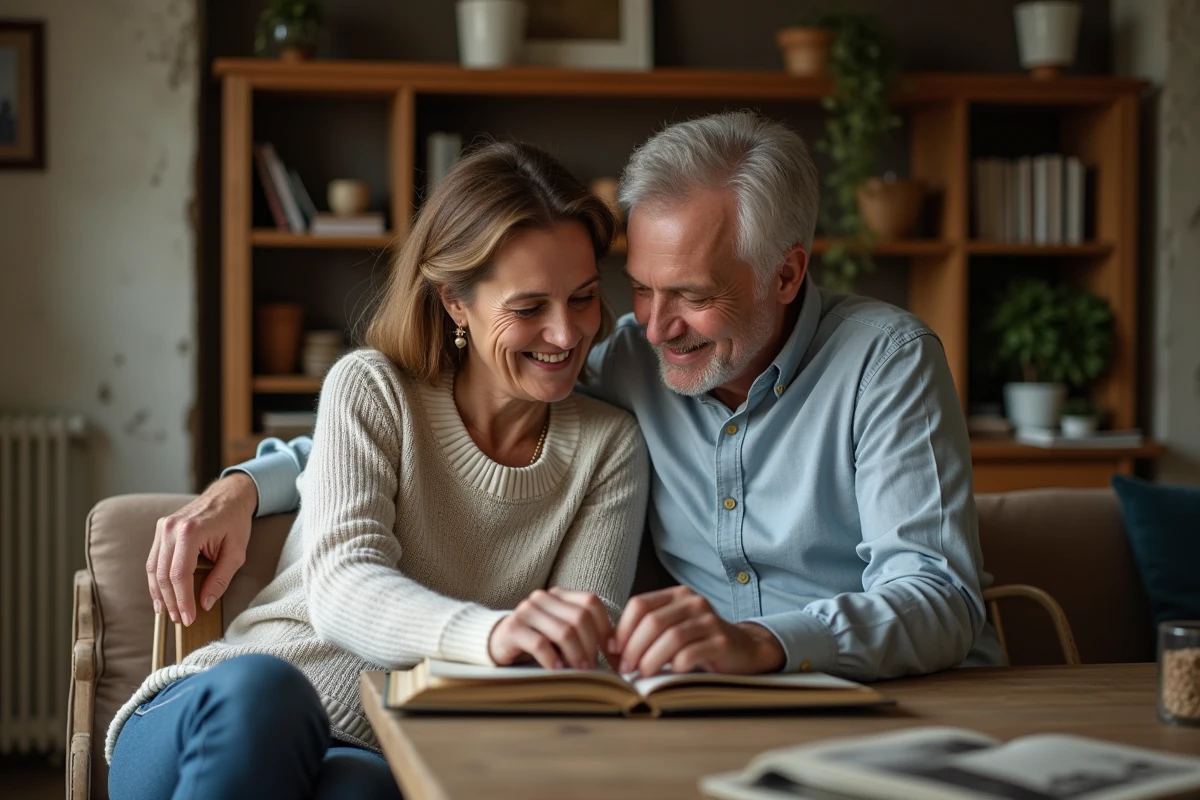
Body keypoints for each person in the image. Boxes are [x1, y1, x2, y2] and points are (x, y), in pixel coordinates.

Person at [151, 111, 1002, 696]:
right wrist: (252, 483)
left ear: (787, 272)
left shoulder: (885, 362)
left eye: (693, 296)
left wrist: (770, 643)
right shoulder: (630, 359)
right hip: (701, 714)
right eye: (637, 289)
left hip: (893, 703)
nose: (654, 326)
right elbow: (430, 422)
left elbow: (941, 599)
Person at [109, 142, 649, 800]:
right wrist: (496, 633)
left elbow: (576, 651)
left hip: (377, 745)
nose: (567, 335)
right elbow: (342, 589)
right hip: (225, 712)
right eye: (530, 308)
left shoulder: (610, 446)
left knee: (366, 790)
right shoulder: (370, 388)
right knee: (271, 695)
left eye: (585, 298)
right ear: (455, 302)